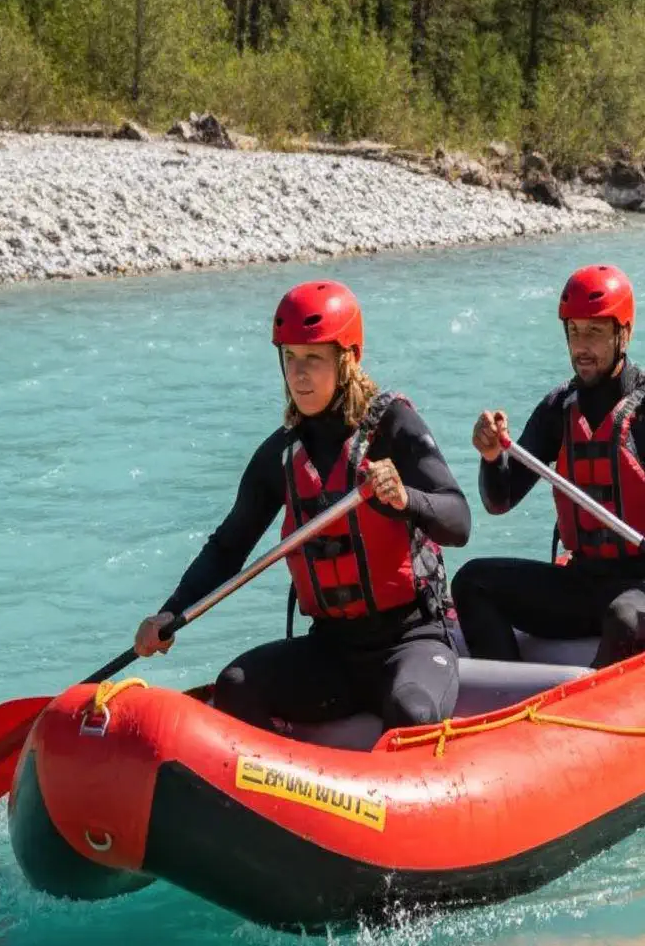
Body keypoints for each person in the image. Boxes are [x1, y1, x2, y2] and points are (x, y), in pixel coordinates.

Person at [132, 279, 472, 733]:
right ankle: (280, 793)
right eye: (289, 358)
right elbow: (228, 548)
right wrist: (170, 613)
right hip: (332, 650)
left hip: (411, 640)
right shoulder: (280, 455)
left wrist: (405, 498)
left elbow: (459, 520)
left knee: (411, 712)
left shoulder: (394, 427)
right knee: (235, 685)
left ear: (347, 359)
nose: (298, 374)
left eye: (313, 358)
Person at [453, 264, 645, 667]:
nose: (581, 346)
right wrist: (491, 458)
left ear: (625, 334)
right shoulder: (557, 410)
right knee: (472, 582)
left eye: (595, 332)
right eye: (574, 332)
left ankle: (589, 713)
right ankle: (508, 701)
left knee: (623, 615)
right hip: (581, 582)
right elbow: (501, 500)